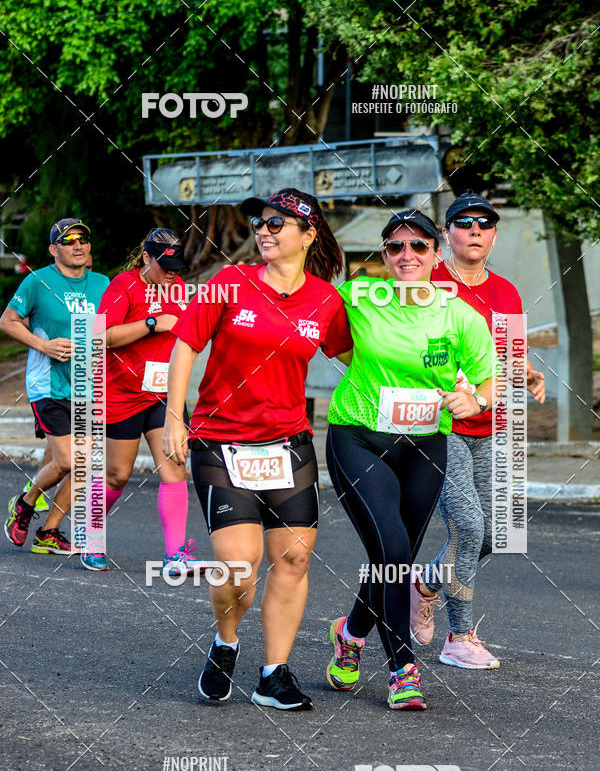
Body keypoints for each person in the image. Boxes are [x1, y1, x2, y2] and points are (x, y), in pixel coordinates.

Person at [163, 188, 352, 710]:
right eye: (261, 223)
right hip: (220, 443)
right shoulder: (229, 282)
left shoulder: (326, 300)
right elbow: (185, 346)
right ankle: (226, 643)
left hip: (290, 445)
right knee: (238, 568)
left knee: (291, 558)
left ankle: (274, 674)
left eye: (277, 223)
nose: (264, 231)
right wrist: (175, 417)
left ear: (308, 234)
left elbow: (366, 356)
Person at [325, 208, 499, 710]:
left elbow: (489, 379)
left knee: (392, 556)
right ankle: (402, 668)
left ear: (436, 254)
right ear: (384, 255)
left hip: (425, 446)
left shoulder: (460, 315)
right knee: (395, 551)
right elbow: (327, 338)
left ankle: (351, 633)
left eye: (418, 246)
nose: (407, 255)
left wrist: (476, 401)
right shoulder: (358, 297)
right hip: (359, 438)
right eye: (396, 247)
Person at [409, 191, 545, 667]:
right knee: (468, 527)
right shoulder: (428, 281)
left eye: (484, 224)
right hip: (441, 423)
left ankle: (426, 581)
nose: (474, 231)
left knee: (495, 533)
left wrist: (526, 370)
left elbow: (507, 349)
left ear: (493, 235)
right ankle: (459, 637)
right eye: (463, 223)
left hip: (494, 421)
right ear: (446, 234)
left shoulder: (505, 291)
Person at [80, 228, 207, 575]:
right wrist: (151, 323)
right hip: (120, 394)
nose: (172, 273)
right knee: (118, 475)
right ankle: (91, 535)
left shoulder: (179, 288)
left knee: (175, 468)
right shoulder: (124, 285)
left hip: (163, 394)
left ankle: (174, 555)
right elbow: (99, 335)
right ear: (146, 258)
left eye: (177, 267)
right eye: (165, 266)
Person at [1, 218, 109, 553]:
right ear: (53, 250)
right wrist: (42, 345)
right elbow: (7, 321)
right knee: (68, 461)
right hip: (47, 384)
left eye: (83, 239)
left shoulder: (103, 284)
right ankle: (26, 502)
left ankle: (48, 532)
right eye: (68, 240)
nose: (78, 245)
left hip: (87, 387)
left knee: (83, 462)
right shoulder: (38, 282)